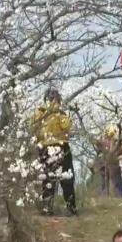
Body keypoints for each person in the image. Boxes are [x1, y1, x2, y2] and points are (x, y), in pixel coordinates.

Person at [32, 88, 77, 216]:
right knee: (66, 177)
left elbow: (34, 129)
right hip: (61, 146)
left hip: (44, 147)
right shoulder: (60, 112)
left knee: (47, 178)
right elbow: (66, 126)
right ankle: (71, 208)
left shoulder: (38, 112)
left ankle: (47, 208)